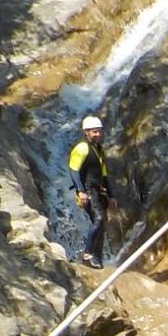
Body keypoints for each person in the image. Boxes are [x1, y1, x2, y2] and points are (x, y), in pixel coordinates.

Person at [69, 113, 112, 268]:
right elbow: (73, 170)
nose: (98, 134)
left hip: (98, 190)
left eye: (99, 131)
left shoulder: (98, 149)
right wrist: (81, 191)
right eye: (94, 131)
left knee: (100, 224)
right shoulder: (82, 147)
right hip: (87, 190)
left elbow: (104, 173)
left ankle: (98, 260)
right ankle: (87, 254)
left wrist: (111, 196)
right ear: (86, 132)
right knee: (99, 219)